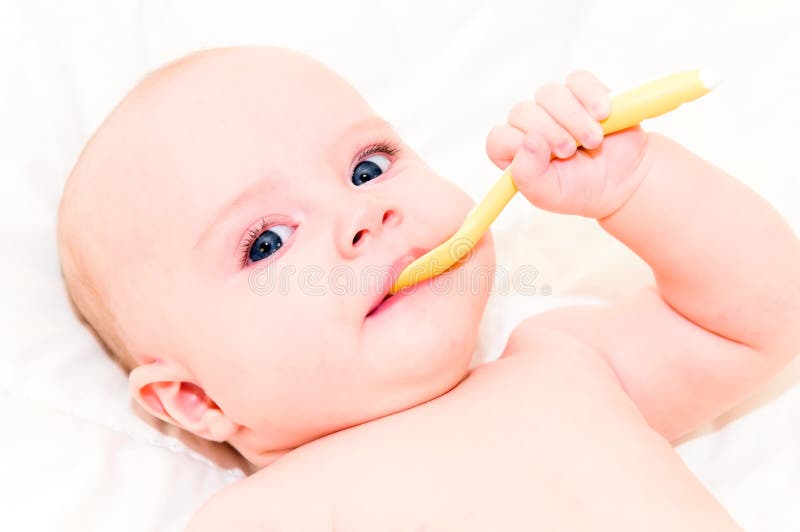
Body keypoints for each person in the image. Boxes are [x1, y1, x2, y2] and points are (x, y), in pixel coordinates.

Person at [56, 45, 800, 530]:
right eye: (267, 242)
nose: (363, 213)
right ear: (197, 402)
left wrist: (635, 184)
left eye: (368, 168)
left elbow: (758, 316)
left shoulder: (565, 365)